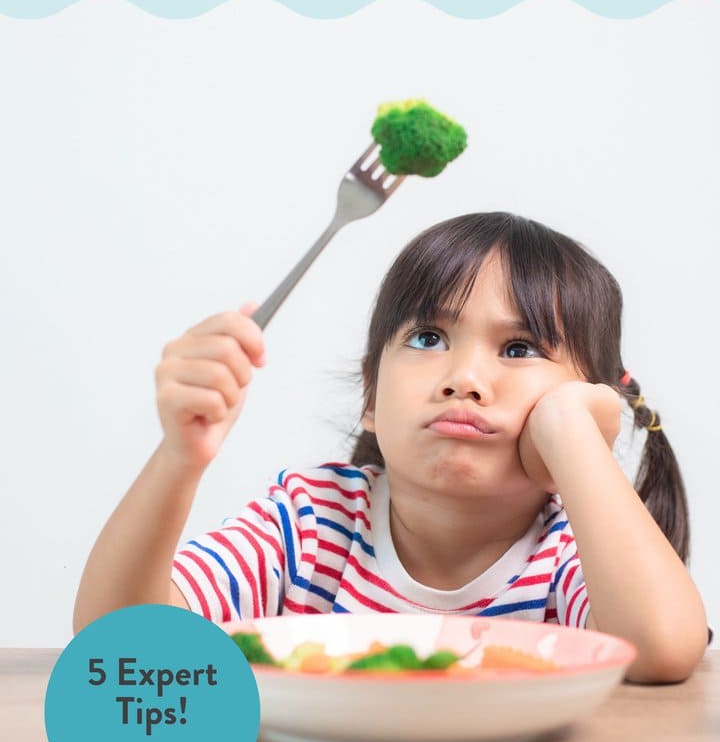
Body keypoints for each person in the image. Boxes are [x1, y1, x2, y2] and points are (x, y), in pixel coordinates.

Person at [73, 212, 708, 682]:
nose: (464, 378)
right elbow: (124, 648)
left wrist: (575, 437)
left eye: (519, 350)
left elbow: (661, 651)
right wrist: (179, 461)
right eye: (429, 338)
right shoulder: (310, 522)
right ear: (371, 395)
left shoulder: (572, 553)